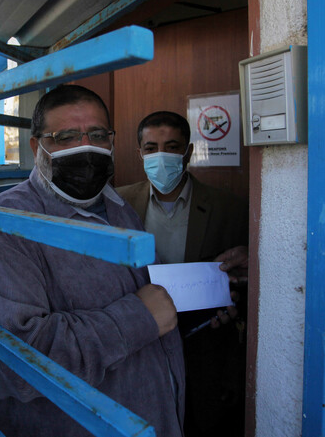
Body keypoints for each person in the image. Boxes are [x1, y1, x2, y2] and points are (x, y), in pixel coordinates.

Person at [0, 86, 185, 437]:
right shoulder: (3, 228)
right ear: (36, 147)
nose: (85, 148)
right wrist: (136, 320)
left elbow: (153, 299)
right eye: (66, 137)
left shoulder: (118, 208)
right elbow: (4, 364)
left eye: (97, 135)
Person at [116, 110, 249, 437]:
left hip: (203, 346)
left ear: (188, 152)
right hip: (141, 341)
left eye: (172, 147)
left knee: (201, 421)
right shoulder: (118, 203)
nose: (161, 156)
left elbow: (244, 281)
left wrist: (234, 303)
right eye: (151, 148)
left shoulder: (230, 209)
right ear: (140, 153)